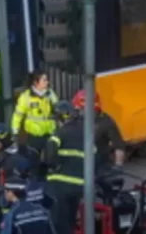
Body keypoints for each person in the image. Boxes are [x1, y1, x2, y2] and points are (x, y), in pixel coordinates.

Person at [43, 100, 86, 234]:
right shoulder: (85, 133)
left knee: (59, 222)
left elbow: (49, 155)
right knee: (71, 220)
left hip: (60, 185)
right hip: (80, 185)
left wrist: (53, 166)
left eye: (56, 119)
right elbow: (96, 156)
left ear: (61, 118)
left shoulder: (59, 134)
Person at [72, 90, 126, 168]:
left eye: (81, 109)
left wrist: (118, 165)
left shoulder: (105, 122)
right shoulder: (76, 119)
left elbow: (119, 145)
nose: (79, 111)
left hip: (99, 165)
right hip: (76, 164)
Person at [11, 71, 58, 155]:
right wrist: (15, 132)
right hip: (33, 136)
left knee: (50, 158)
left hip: (49, 134)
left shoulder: (50, 93)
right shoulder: (26, 97)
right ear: (35, 82)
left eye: (47, 80)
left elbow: (57, 108)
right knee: (34, 158)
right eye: (44, 80)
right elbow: (17, 116)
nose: (47, 82)